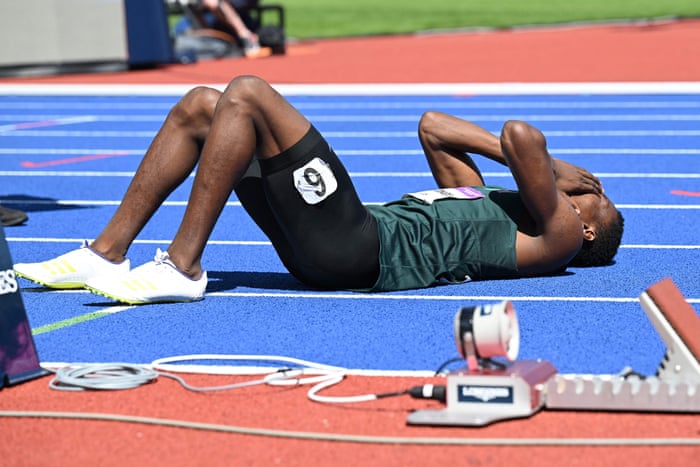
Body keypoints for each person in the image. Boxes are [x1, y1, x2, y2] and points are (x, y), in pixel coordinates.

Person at [14, 75, 624, 305]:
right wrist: (524, 171)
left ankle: (183, 265)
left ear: (591, 225)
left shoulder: (563, 238)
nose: (592, 188)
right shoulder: (492, 203)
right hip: (336, 243)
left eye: (600, 196)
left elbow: (521, 136)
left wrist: (556, 168)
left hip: (363, 248)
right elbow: (433, 126)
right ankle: (105, 252)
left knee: (249, 92)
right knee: (204, 105)